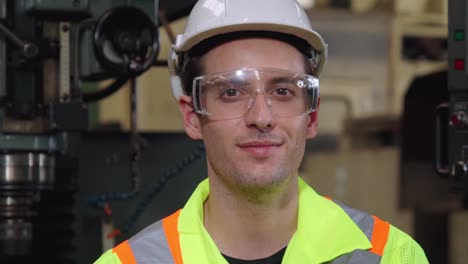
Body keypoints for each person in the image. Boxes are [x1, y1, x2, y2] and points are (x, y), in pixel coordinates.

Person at [94, 0, 428, 263]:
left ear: (312, 117)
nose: (261, 117)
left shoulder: (392, 256)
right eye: (231, 92)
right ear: (193, 117)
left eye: (282, 91)